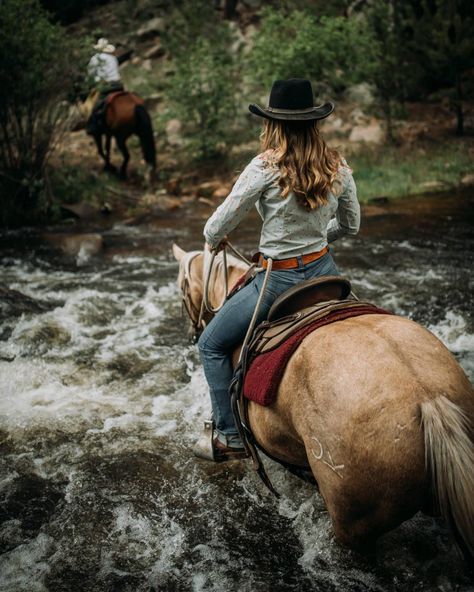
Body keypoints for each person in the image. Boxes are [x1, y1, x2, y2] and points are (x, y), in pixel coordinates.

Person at [197, 78, 360, 461]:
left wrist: (217, 239)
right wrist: (320, 237)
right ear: (313, 122)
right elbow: (351, 226)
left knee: (211, 345)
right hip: (326, 272)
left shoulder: (264, 167)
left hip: (277, 280)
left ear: (273, 123)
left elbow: (213, 229)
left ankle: (229, 436)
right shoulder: (337, 164)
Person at [86, 38, 124, 135]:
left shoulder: (95, 59)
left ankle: (93, 127)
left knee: (94, 107)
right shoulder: (113, 58)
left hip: (105, 86)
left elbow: (90, 74)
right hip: (118, 85)